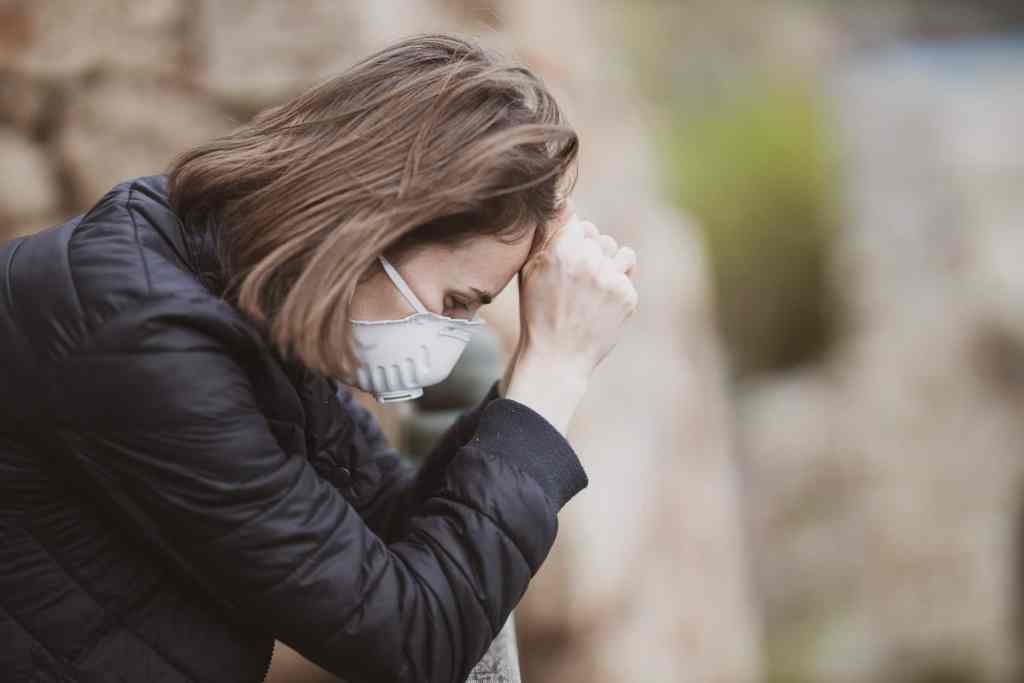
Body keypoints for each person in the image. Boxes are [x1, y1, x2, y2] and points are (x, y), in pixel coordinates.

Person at [0, 33, 638, 683]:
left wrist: (523, 387)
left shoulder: (236, 293)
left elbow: (392, 533)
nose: (451, 337)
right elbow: (407, 641)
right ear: (380, 219)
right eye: (454, 300)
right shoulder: (143, 334)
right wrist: (553, 375)